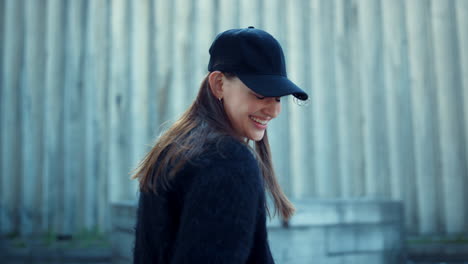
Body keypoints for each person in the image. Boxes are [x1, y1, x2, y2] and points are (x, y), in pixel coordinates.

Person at [132, 26, 308, 263]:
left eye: (278, 97)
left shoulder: (176, 148)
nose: (275, 110)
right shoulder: (227, 160)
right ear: (219, 85)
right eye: (260, 93)